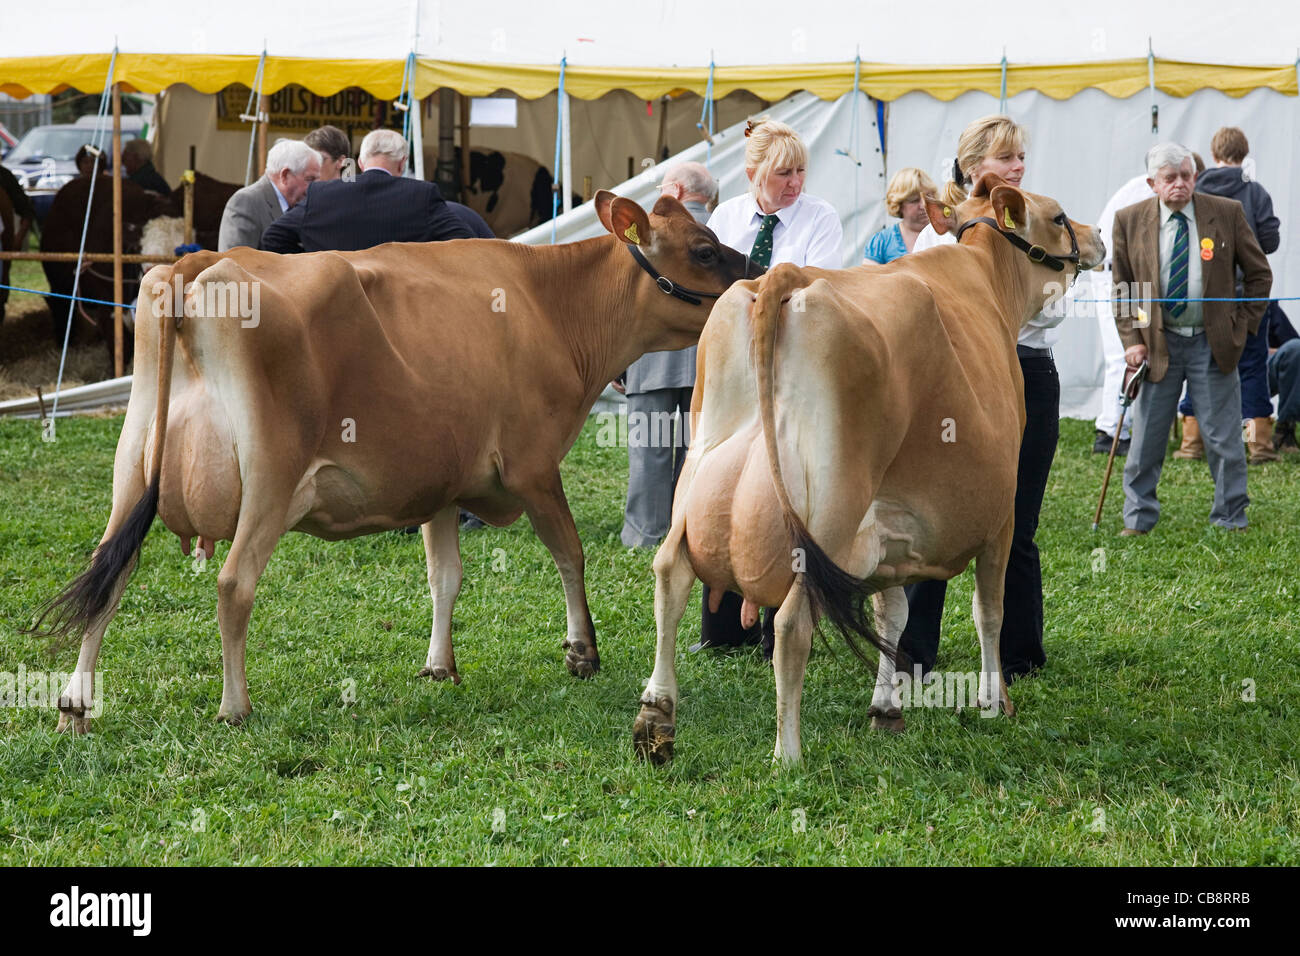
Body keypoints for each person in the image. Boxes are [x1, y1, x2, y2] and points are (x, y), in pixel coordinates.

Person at [898, 114, 1054, 683]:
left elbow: (1054, 310)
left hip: (1028, 369)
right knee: (939, 510)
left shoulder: (1034, 218)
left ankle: (1019, 654)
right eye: (1005, 158)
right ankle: (915, 654)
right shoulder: (943, 231)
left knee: (1017, 518)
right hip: (953, 376)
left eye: (1019, 157)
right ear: (972, 168)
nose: (1017, 167)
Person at [696, 117, 843, 652]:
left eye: (801, 170)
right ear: (752, 171)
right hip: (733, 368)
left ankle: (780, 620)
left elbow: (818, 290)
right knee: (721, 478)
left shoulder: (821, 218)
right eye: (783, 173)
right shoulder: (725, 216)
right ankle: (721, 628)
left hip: (791, 367)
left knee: (782, 483)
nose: (795, 183)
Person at [1113, 142, 1272, 535]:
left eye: (1186, 176)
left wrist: (1243, 326)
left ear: (1195, 176)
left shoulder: (1226, 213)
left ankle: (1231, 517)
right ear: (1153, 183)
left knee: (1224, 440)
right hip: (1157, 344)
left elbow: (1259, 275)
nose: (1179, 185)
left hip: (1212, 343)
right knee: (1146, 441)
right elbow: (1122, 288)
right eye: (1170, 179)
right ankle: (1137, 519)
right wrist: (1132, 339)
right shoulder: (1128, 220)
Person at [617, 161, 717, 549]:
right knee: (702, 451)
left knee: (649, 452)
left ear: (674, 189)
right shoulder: (726, 224)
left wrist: (621, 357)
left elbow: (629, 295)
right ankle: (694, 533)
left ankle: (644, 535)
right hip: (707, 362)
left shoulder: (653, 232)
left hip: (651, 356)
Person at [1174, 127, 1282, 463]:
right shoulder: (1257, 193)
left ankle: (1192, 445)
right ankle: (1258, 445)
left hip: (1205, 299)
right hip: (1248, 297)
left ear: (1214, 152)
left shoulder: (1196, 191)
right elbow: (1271, 242)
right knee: (1252, 369)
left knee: (1198, 367)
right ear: (1244, 153)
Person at [260, 128, 471, 253]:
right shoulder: (422, 196)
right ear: (402, 163)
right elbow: (466, 244)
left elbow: (273, 237)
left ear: (360, 162)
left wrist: (314, 265)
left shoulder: (321, 194)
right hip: (396, 313)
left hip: (334, 309)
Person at [1089, 171, 1155, 455]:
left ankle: (1122, 425)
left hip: (1127, 275)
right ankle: (1110, 432)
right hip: (1115, 275)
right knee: (1121, 354)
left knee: (1131, 353)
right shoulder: (1144, 190)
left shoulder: (1143, 187)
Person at [218, 139, 321, 251]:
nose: (315, 187)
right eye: (310, 179)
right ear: (285, 175)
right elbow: (234, 262)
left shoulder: (305, 206)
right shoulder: (246, 202)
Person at [864, 167, 936, 263]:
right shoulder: (881, 242)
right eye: (914, 200)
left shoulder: (945, 235)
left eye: (928, 197)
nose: (923, 205)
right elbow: (868, 276)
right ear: (898, 204)